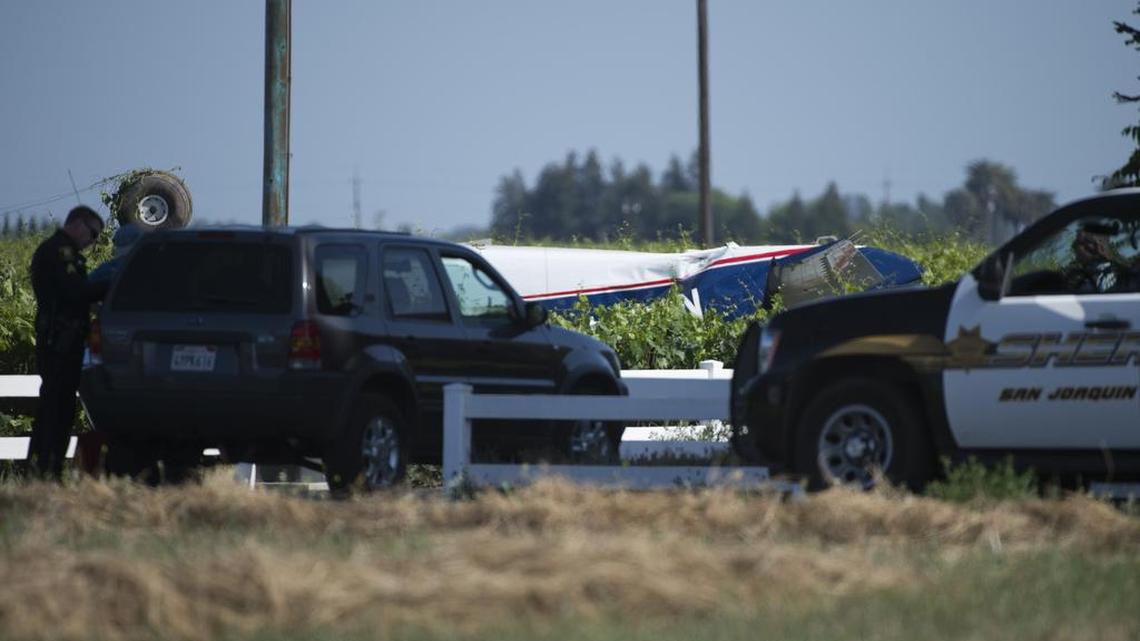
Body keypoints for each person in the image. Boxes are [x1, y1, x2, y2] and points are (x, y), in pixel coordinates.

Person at [27, 205, 109, 480]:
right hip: (58, 340)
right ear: (78, 223)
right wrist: (111, 284)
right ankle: (45, 468)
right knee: (55, 407)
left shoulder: (64, 252)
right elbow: (75, 292)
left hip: (65, 340)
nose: (92, 241)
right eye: (93, 233)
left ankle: (47, 468)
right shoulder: (59, 252)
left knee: (60, 407)